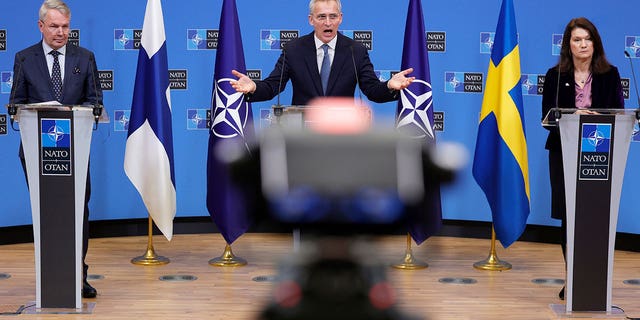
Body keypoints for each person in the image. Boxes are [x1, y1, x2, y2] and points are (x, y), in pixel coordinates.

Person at [11, 0, 102, 299]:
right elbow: (15, 104)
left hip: (75, 152)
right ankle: (50, 278)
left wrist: (87, 111)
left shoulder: (85, 58)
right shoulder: (24, 59)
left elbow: (95, 102)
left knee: (78, 213)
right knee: (47, 212)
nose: (61, 32)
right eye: (54, 26)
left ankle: (79, 276)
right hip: (39, 154)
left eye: (65, 26)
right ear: (41, 26)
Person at [541, 17, 623, 301]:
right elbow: (547, 117)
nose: (583, 44)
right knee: (570, 218)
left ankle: (593, 280)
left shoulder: (610, 74)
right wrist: (572, 115)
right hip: (563, 151)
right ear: (568, 45)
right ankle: (572, 279)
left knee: (594, 217)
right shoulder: (555, 75)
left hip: (598, 154)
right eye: (577, 39)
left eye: (587, 38)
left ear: (595, 42)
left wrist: (595, 118)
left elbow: (619, 114)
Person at [230, 0, 415, 105]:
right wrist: (254, 88)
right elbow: (272, 86)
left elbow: (373, 90)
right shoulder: (293, 49)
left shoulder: (356, 51)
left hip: (342, 133)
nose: (328, 23)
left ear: (340, 19)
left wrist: (389, 86)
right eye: (321, 17)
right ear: (311, 20)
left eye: (333, 16)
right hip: (304, 136)